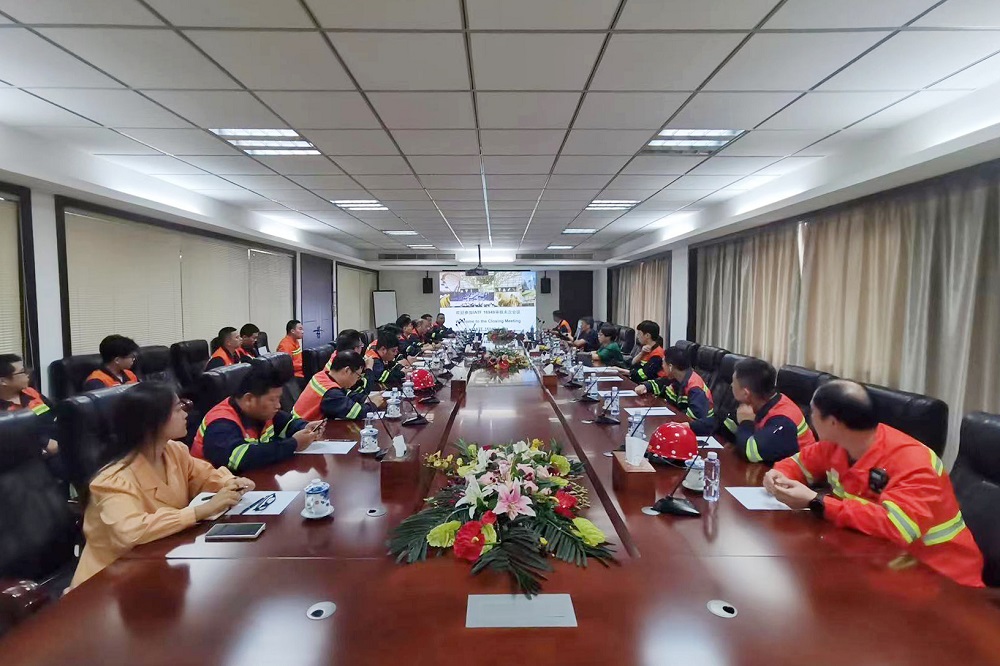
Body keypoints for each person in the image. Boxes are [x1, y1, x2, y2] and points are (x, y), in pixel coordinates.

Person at [765, 380, 983, 587]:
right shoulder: (836, 444)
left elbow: (897, 527)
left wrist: (818, 502)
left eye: (813, 413)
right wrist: (779, 475)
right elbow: (798, 463)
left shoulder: (914, 462)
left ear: (832, 423)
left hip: (939, 574)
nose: (810, 419)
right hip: (878, 559)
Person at [69, 382, 255, 589]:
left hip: (156, 563)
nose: (185, 414)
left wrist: (230, 483)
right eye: (178, 409)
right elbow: (131, 531)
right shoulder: (112, 480)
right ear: (153, 423)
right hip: (106, 583)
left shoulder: (173, 451)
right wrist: (199, 512)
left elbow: (203, 475)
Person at [192, 362, 322, 473]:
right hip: (215, 490)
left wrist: (305, 427)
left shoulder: (262, 412)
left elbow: (287, 423)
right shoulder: (220, 423)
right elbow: (240, 459)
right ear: (249, 399)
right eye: (272, 400)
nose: (278, 405)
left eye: (279, 399)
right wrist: (293, 444)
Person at [726, 358, 816, 464]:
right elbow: (728, 430)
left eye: (734, 382)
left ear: (746, 393)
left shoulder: (783, 419)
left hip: (800, 470)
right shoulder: (758, 402)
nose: (731, 385)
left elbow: (751, 453)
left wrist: (745, 423)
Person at [635, 345, 716, 436]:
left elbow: (693, 418)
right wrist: (646, 386)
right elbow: (662, 383)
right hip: (678, 425)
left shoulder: (695, 388)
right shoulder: (677, 377)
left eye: (663, 363)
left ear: (670, 367)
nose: (662, 366)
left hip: (697, 432)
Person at [293, 351, 384, 421]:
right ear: (347, 370)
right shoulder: (331, 392)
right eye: (358, 376)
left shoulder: (323, 375)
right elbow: (356, 413)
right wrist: (373, 404)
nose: (358, 380)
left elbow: (347, 394)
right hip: (304, 431)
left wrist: (366, 399)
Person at [0, 353, 57, 455]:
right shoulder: (3, 413)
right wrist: (44, 442)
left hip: (56, 442)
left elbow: (55, 412)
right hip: (28, 456)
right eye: (22, 372)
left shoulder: (30, 392)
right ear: (3, 381)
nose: (27, 374)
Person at [277, 319, 305, 384]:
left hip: (301, 372)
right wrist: (303, 365)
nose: (303, 332)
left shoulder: (295, 341)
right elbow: (286, 366)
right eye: (300, 329)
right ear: (292, 331)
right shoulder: (285, 345)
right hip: (295, 376)